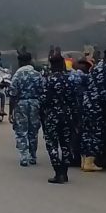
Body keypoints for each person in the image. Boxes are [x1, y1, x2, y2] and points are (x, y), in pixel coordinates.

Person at [40, 54, 76, 184]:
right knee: (66, 145)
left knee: (52, 145)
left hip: (52, 116)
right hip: (67, 116)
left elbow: (43, 100)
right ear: (62, 65)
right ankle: (64, 173)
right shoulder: (69, 80)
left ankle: (58, 173)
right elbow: (74, 101)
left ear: (51, 65)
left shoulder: (48, 80)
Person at [81, 48, 106, 172]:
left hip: (87, 101)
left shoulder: (96, 67)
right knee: (95, 133)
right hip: (97, 104)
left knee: (86, 132)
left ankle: (84, 161)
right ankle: (89, 163)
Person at [8, 52, 44, 167]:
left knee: (21, 131)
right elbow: (43, 92)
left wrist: (10, 112)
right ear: (30, 60)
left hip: (21, 104)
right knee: (33, 131)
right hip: (35, 103)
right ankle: (33, 156)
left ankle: (24, 157)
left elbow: (13, 94)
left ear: (20, 62)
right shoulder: (37, 74)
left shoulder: (17, 75)